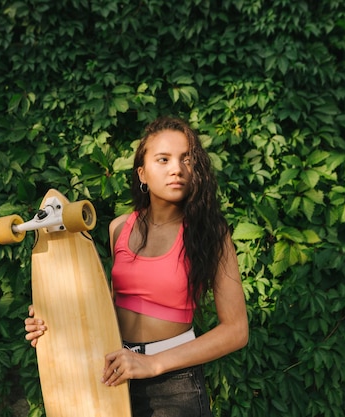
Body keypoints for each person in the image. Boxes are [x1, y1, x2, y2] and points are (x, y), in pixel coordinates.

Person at [25, 116, 249, 417]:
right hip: (113, 372)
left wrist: (153, 363)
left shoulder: (210, 232)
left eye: (186, 160)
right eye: (163, 159)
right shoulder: (119, 228)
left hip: (175, 385)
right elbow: (111, 311)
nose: (176, 169)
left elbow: (236, 331)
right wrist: (54, 326)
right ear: (142, 173)